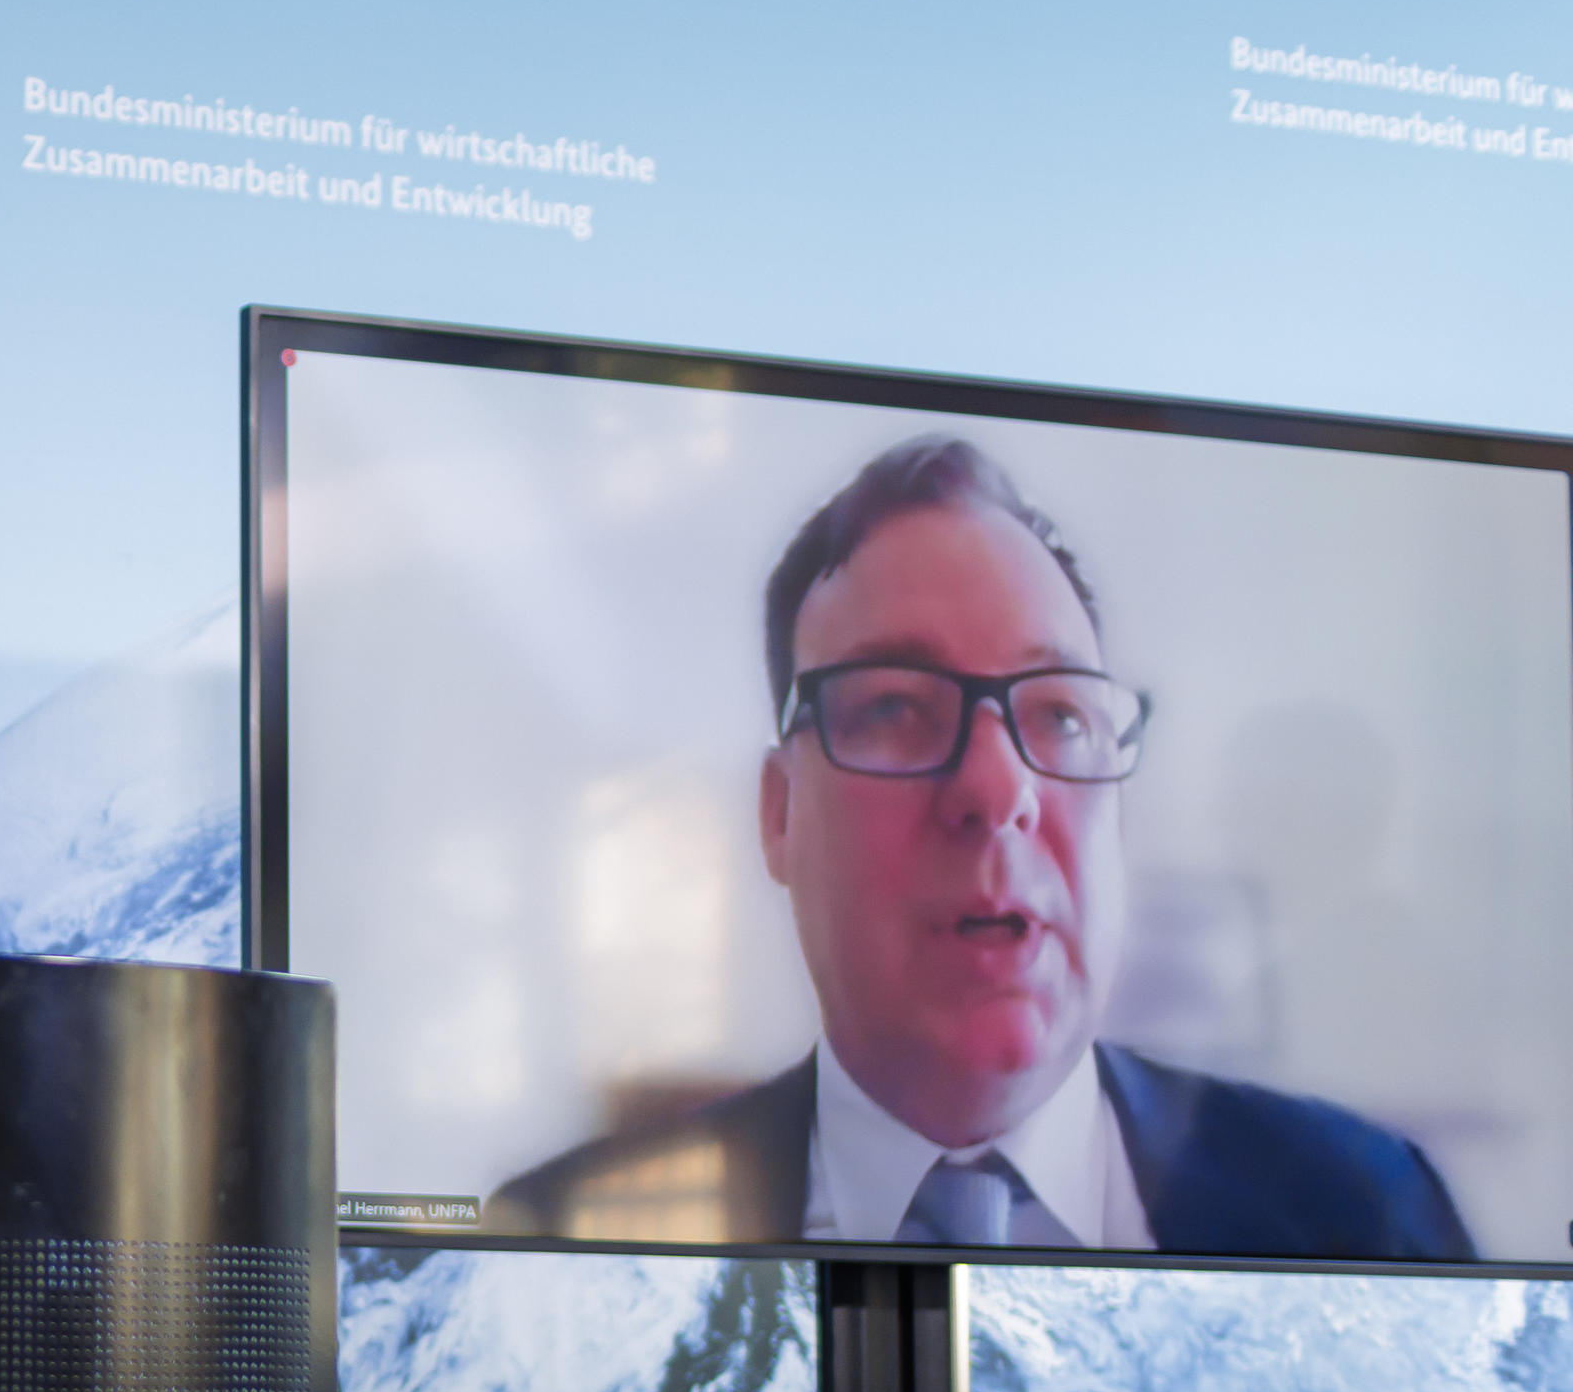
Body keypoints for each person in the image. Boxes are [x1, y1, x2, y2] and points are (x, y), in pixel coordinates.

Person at [488, 434, 1471, 1261]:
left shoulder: (1365, 1216)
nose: (998, 792)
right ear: (779, 815)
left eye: (1059, 719)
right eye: (893, 710)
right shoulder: (555, 1248)